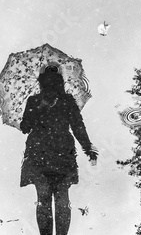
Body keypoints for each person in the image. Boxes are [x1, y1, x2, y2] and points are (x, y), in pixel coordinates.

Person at [20, 65, 98, 235]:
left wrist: (88, 148)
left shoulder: (57, 101)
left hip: (48, 152)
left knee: (51, 198)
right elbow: (25, 126)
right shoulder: (43, 101)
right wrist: (88, 148)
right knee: (54, 197)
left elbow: (78, 126)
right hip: (51, 152)